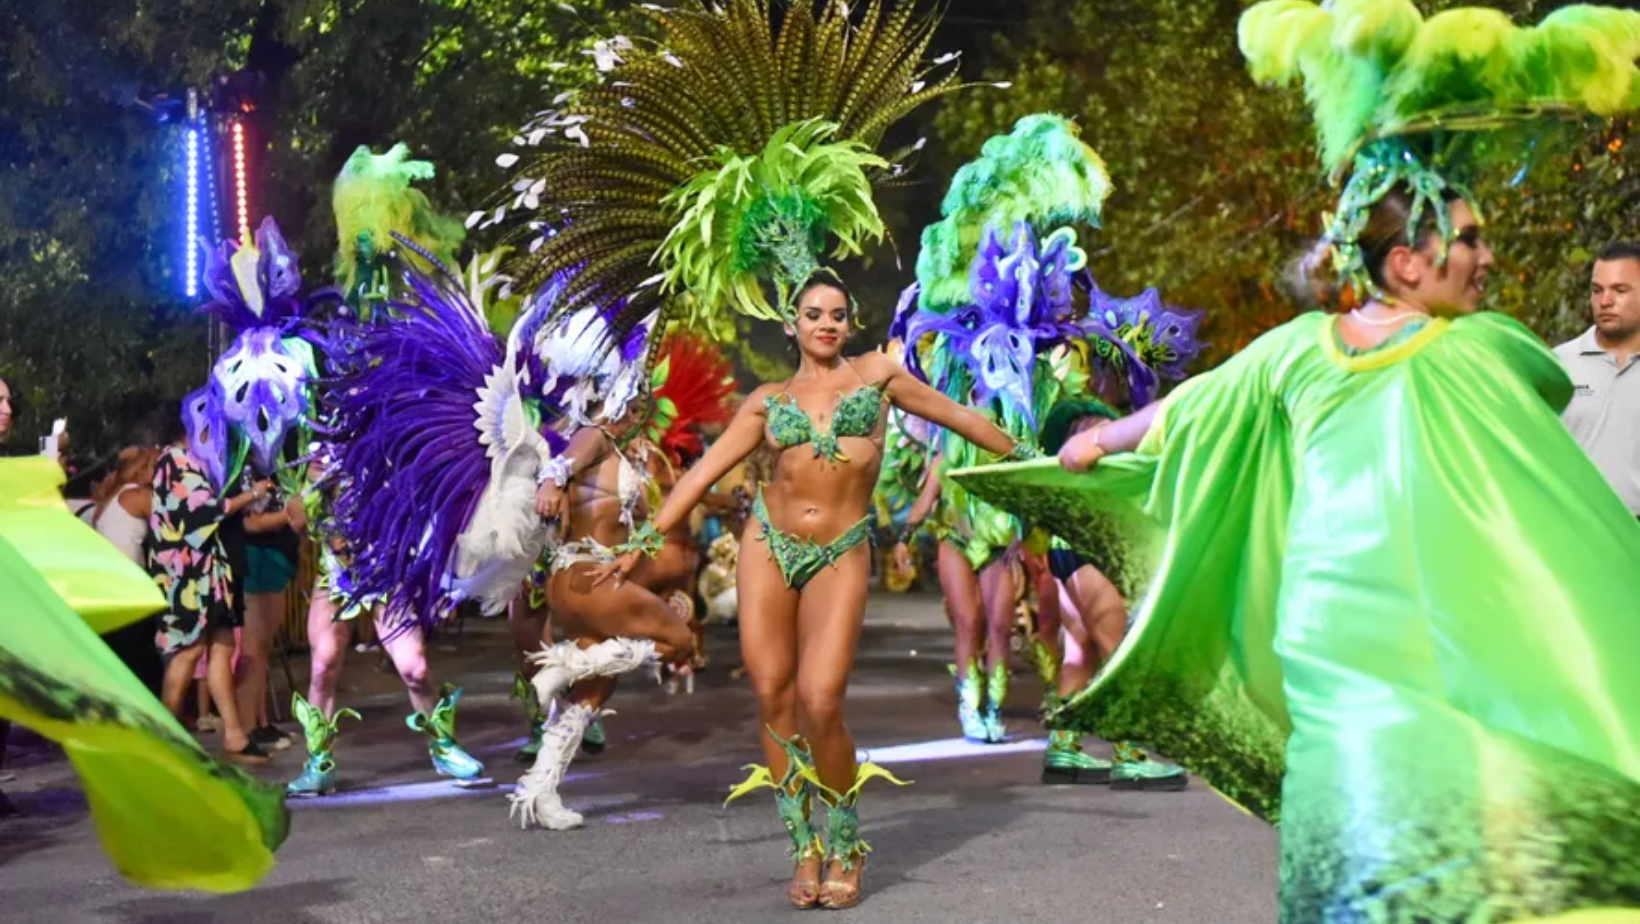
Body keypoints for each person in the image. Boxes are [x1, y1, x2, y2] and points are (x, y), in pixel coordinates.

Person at [956, 4, 1640, 919]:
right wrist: (1096, 439)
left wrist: (1095, 441)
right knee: (1428, 834)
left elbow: (1184, 409)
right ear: (1408, 262)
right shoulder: (1466, 348)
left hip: (1370, 640)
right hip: (1383, 648)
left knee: (1391, 837)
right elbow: (1538, 380)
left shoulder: (1313, 349)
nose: (1486, 258)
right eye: (1470, 239)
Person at [600, 272, 1031, 905]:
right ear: (792, 324)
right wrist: (642, 541)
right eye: (813, 314)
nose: (826, 324)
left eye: (837, 314)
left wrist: (1028, 457)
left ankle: (846, 841)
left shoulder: (878, 379)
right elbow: (700, 476)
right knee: (774, 696)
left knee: (821, 699)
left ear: (850, 323)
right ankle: (804, 847)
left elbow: (959, 417)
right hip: (767, 546)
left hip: (840, 549)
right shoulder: (767, 401)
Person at [149, 413, 273, 765]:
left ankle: (234, 736)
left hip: (208, 574)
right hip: (186, 577)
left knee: (222, 645)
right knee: (189, 652)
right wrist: (252, 494)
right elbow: (205, 513)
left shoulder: (190, 461)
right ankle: (162, 739)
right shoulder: (174, 461)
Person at [1555, 241, 1640, 516]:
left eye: (1619, 290)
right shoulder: (1558, 364)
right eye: (1597, 290)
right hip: (1575, 525)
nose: (1605, 301)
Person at [89, 446, 164, 695]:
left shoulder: (112, 495)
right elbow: (170, 517)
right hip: (130, 584)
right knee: (141, 655)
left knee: (122, 650)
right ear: (144, 470)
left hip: (110, 584)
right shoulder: (136, 495)